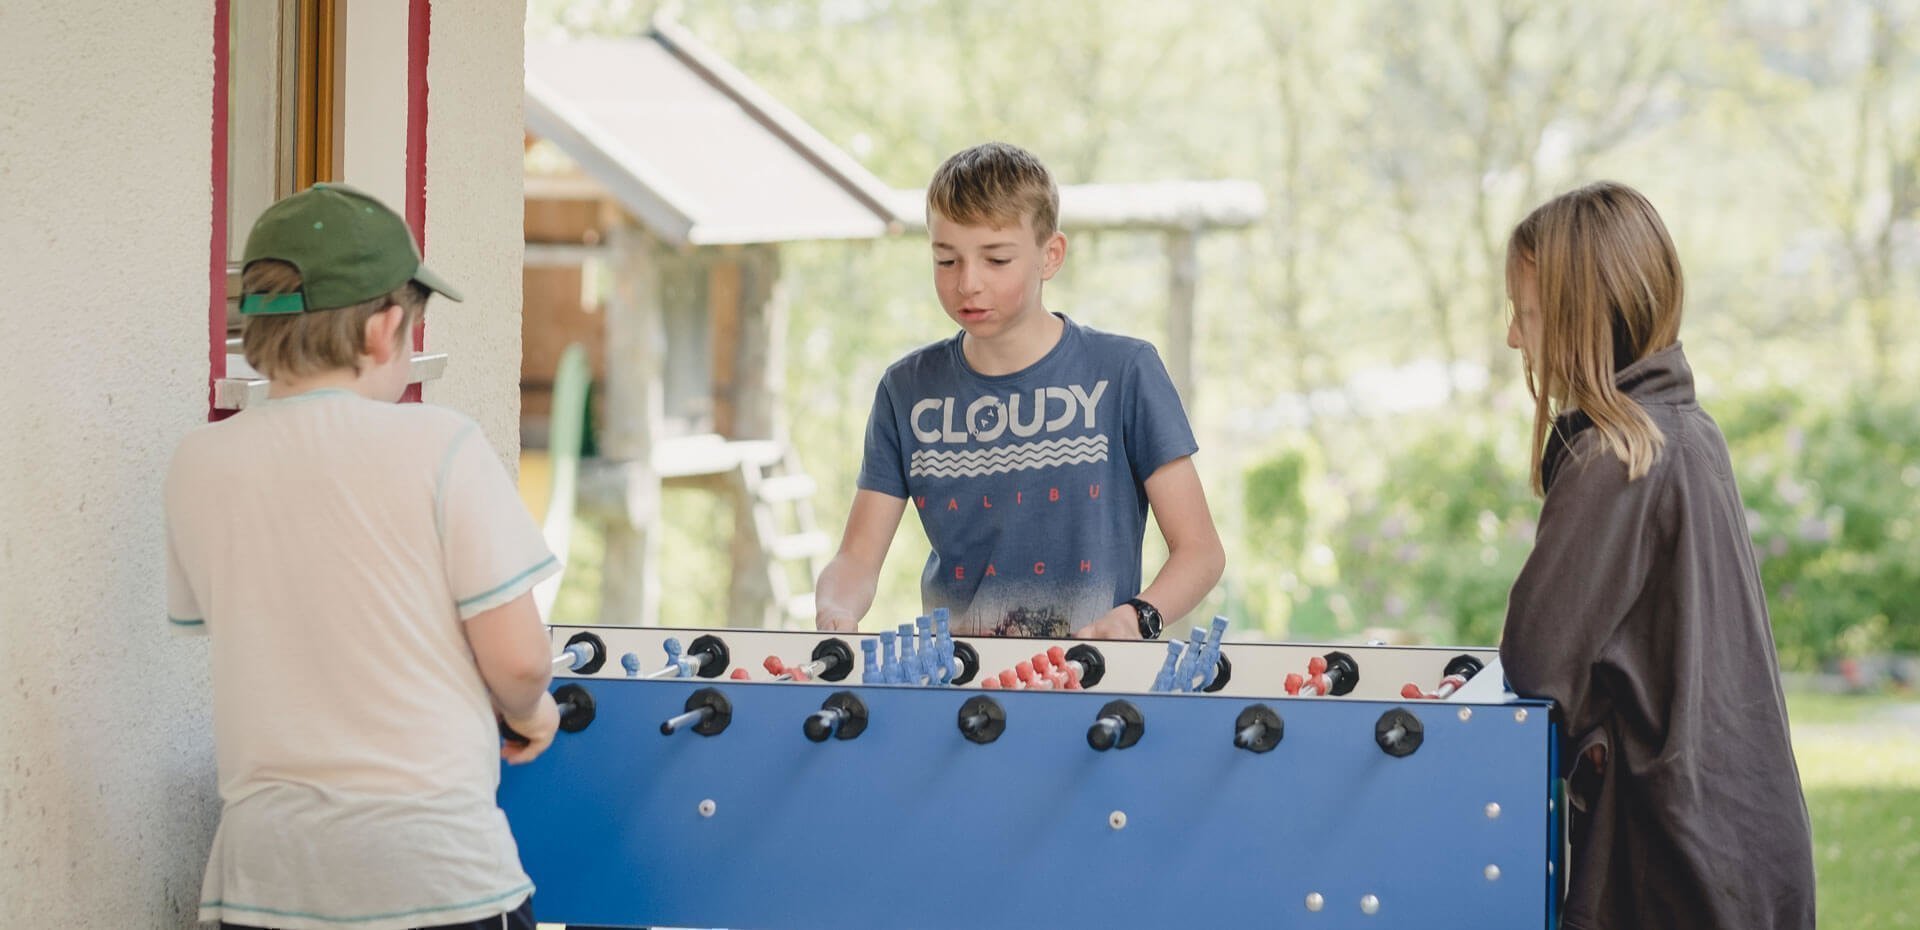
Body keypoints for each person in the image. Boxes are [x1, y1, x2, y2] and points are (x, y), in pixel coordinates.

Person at [165, 183, 560, 930]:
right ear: (384, 331)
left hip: (265, 880)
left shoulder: (198, 462)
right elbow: (517, 661)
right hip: (434, 876)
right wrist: (532, 714)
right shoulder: (441, 445)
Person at [1498, 181, 1816, 929]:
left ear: (1582, 317)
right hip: (1746, 842)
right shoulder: (1689, 433)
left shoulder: (1615, 459)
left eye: (1528, 313)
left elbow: (1537, 666)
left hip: (1674, 859)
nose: (1514, 337)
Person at [815, 142, 1224, 639]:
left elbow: (1200, 551)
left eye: (996, 259)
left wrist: (1139, 616)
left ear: (1050, 256)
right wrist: (836, 607)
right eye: (946, 261)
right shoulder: (905, 390)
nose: (968, 283)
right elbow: (857, 559)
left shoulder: (1125, 371)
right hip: (959, 685)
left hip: (1092, 679)